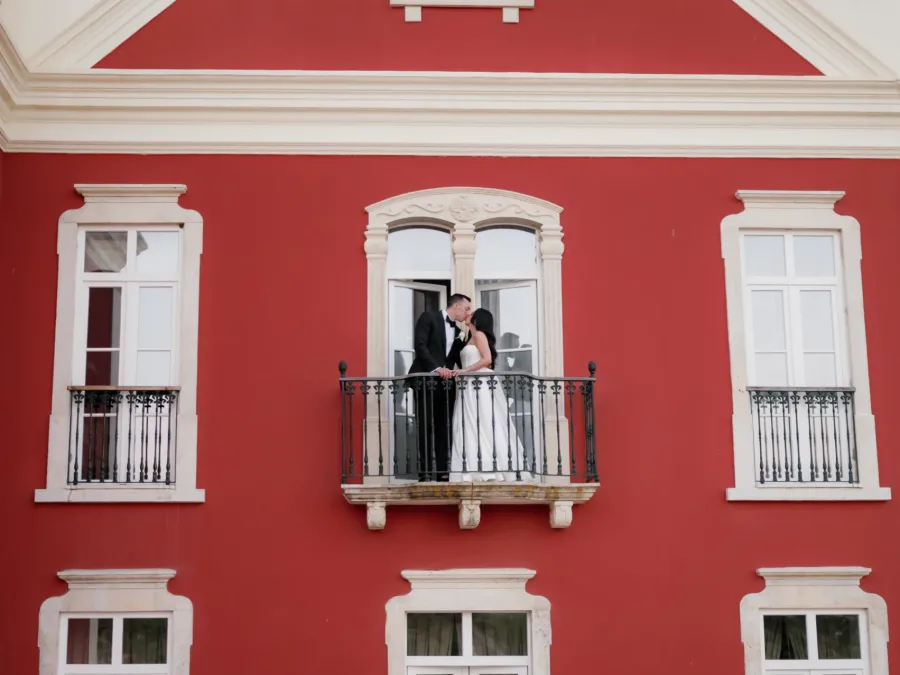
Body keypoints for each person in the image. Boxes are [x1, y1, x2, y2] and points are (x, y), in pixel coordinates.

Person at [450, 308, 532, 482]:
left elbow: (487, 359)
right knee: (469, 423)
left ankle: (489, 469)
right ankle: (471, 469)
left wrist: (465, 371)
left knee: (484, 421)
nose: (468, 314)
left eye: (472, 313)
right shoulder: (468, 337)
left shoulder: (479, 335)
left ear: (478, 319)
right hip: (469, 386)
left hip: (479, 384)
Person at [408, 293, 471, 481]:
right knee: (425, 426)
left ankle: (443, 472)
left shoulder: (461, 331)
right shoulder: (429, 318)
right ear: (457, 306)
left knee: (444, 427)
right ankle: (425, 472)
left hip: (446, 385)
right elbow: (420, 346)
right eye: (467, 308)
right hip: (425, 381)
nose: (468, 313)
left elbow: (460, 358)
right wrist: (436, 368)